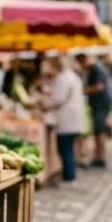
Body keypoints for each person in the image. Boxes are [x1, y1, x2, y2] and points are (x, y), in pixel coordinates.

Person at [43, 53, 87, 182]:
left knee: (65, 148)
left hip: (67, 119)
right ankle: (69, 173)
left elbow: (58, 99)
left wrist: (45, 103)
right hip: (72, 117)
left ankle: (69, 175)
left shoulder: (63, 78)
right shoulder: (71, 76)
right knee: (68, 148)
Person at [74, 53, 111, 168]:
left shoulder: (96, 69)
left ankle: (100, 157)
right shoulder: (95, 69)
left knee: (100, 131)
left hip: (100, 104)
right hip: (97, 104)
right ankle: (98, 156)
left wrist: (83, 90)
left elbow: (99, 87)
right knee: (97, 131)